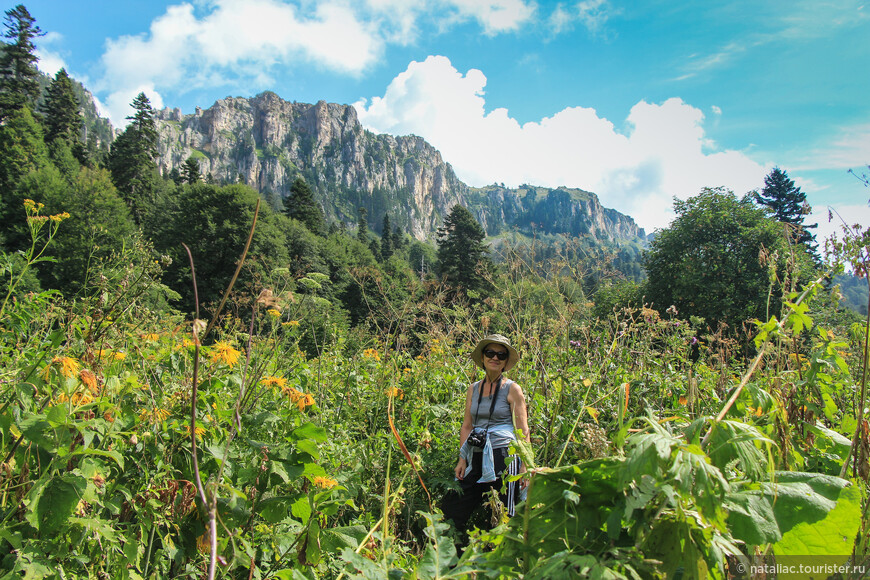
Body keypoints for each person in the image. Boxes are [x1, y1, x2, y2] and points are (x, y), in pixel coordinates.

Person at [442, 334, 530, 540]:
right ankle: (453, 552)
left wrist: (525, 467)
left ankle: (499, 559)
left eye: (501, 355)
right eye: (490, 353)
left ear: (506, 362)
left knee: (504, 511)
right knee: (454, 505)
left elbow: (523, 430)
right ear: (482, 358)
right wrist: (462, 459)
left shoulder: (512, 389)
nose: (495, 358)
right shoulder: (473, 389)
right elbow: (467, 426)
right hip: (476, 453)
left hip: (505, 456)